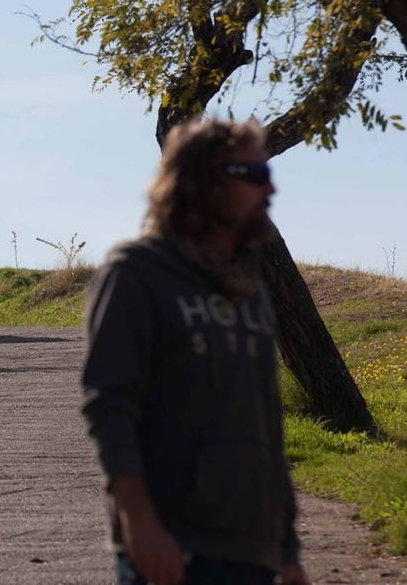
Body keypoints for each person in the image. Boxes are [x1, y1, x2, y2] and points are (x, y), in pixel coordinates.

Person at [81, 117, 310, 585]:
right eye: (256, 177)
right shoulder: (137, 273)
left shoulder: (248, 288)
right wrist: (139, 522)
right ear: (204, 182)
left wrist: (287, 550)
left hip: (253, 553)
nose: (271, 192)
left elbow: (266, 423)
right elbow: (110, 407)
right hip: (173, 550)